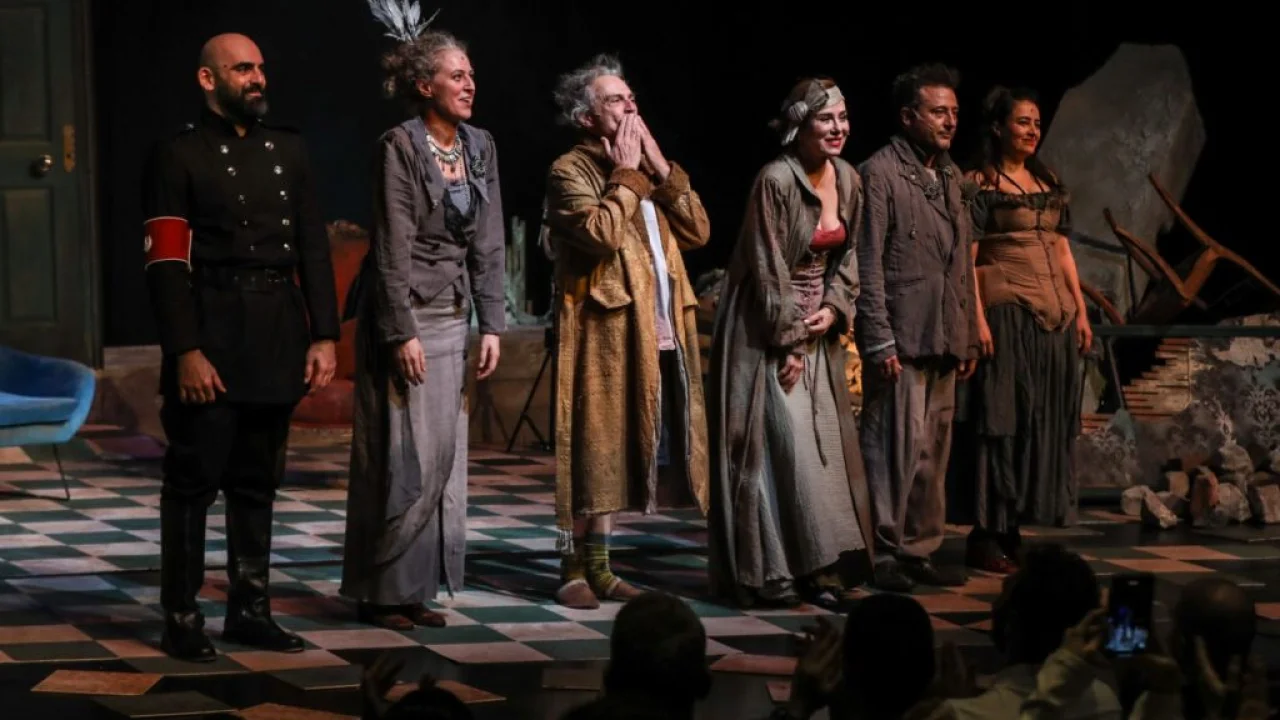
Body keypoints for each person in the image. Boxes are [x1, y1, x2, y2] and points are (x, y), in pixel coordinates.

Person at [143, 33, 339, 661]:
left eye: (260, 68)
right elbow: (166, 262)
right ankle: (181, 616)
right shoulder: (178, 154)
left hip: (277, 331)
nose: (258, 79)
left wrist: (325, 334)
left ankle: (250, 612)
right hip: (213, 332)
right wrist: (185, 350)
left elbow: (313, 246)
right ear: (209, 79)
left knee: (257, 482)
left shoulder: (289, 148)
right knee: (193, 481)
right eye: (243, 69)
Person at [340, 21, 504, 629]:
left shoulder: (480, 146)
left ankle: (417, 589)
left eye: (471, 75)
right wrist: (399, 331)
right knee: (401, 456)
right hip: (405, 316)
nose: (469, 84)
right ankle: (381, 591)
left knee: (442, 457)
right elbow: (392, 247)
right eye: (457, 75)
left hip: (454, 317)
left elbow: (489, 240)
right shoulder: (400, 147)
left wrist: (492, 323)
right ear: (424, 84)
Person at [543, 53, 710, 609]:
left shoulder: (646, 170)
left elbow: (699, 230)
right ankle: (571, 566)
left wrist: (659, 167)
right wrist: (630, 177)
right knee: (589, 448)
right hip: (601, 329)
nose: (630, 106)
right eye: (615, 100)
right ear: (587, 118)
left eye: (631, 97)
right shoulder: (570, 171)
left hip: (654, 324)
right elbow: (600, 233)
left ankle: (602, 565)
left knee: (618, 451)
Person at [708, 77, 873, 610]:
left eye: (843, 118)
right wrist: (791, 342)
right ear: (800, 126)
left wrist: (836, 306)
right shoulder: (776, 180)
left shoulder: (848, 178)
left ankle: (821, 565)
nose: (838, 128)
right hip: (765, 328)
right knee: (780, 447)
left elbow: (851, 256)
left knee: (822, 452)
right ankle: (772, 571)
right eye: (826, 119)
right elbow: (767, 266)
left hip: (817, 326)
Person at [855, 63, 977, 593]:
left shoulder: (952, 176)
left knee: (932, 452)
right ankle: (880, 550)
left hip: (942, 333)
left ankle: (917, 548)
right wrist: (879, 337)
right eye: (937, 112)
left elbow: (962, 261)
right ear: (908, 117)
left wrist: (965, 332)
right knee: (891, 450)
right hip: (902, 336)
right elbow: (868, 262)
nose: (949, 121)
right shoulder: (879, 173)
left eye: (954, 112)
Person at [961, 87, 1090, 574]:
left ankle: (1013, 527)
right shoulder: (979, 183)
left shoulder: (1047, 181)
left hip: (1055, 318)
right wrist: (976, 318)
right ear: (998, 128)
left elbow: (1061, 250)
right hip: (1007, 313)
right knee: (1002, 420)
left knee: (1040, 421)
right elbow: (967, 259)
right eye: (1022, 122)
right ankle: (986, 532)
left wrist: (1080, 311)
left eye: (1036, 122)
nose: (1032, 130)